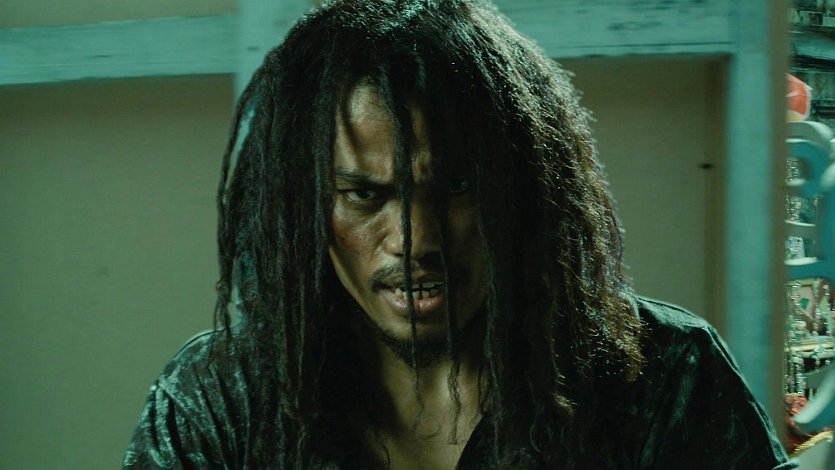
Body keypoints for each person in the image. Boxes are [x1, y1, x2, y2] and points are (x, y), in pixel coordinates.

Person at [122, 0, 796, 468]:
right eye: (364, 195)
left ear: (524, 189)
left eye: (455, 188)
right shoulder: (218, 402)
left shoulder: (666, 377)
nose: (414, 239)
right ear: (298, 207)